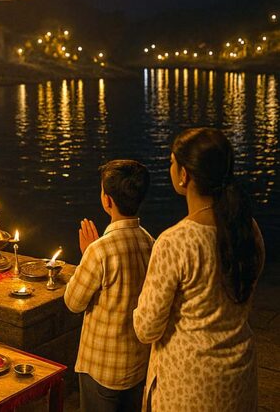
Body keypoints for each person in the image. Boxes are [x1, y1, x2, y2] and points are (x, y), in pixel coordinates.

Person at [133, 128, 265, 411]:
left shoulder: (176, 242)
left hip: (189, 383)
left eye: (171, 162)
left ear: (184, 176)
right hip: (237, 376)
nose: (170, 168)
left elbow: (146, 328)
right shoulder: (248, 229)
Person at [64, 160, 154, 412]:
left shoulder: (100, 250)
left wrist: (86, 256)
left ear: (108, 200)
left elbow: (73, 302)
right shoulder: (151, 243)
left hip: (101, 368)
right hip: (137, 364)